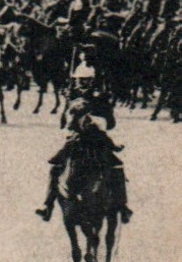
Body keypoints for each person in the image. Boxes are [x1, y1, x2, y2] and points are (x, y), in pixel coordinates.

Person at [37, 69, 132, 224]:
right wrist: (68, 107)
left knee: (117, 166)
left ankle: (122, 206)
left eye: (86, 80)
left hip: (97, 139)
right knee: (56, 166)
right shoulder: (72, 97)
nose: (83, 83)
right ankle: (48, 205)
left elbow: (111, 122)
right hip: (77, 139)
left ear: (92, 81)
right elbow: (63, 124)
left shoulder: (100, 98)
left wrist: (96, 120)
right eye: (80, 80)